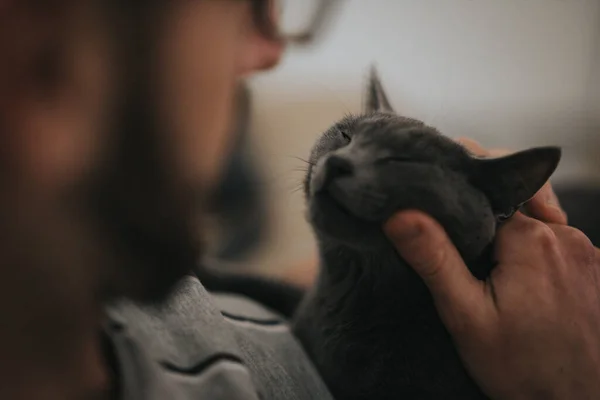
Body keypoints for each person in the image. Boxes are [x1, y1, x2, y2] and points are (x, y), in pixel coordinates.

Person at [0, 1, 598, 399]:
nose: (269, 52)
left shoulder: (96, 274)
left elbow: (307, 289)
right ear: (39, 48)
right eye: (249, 8)